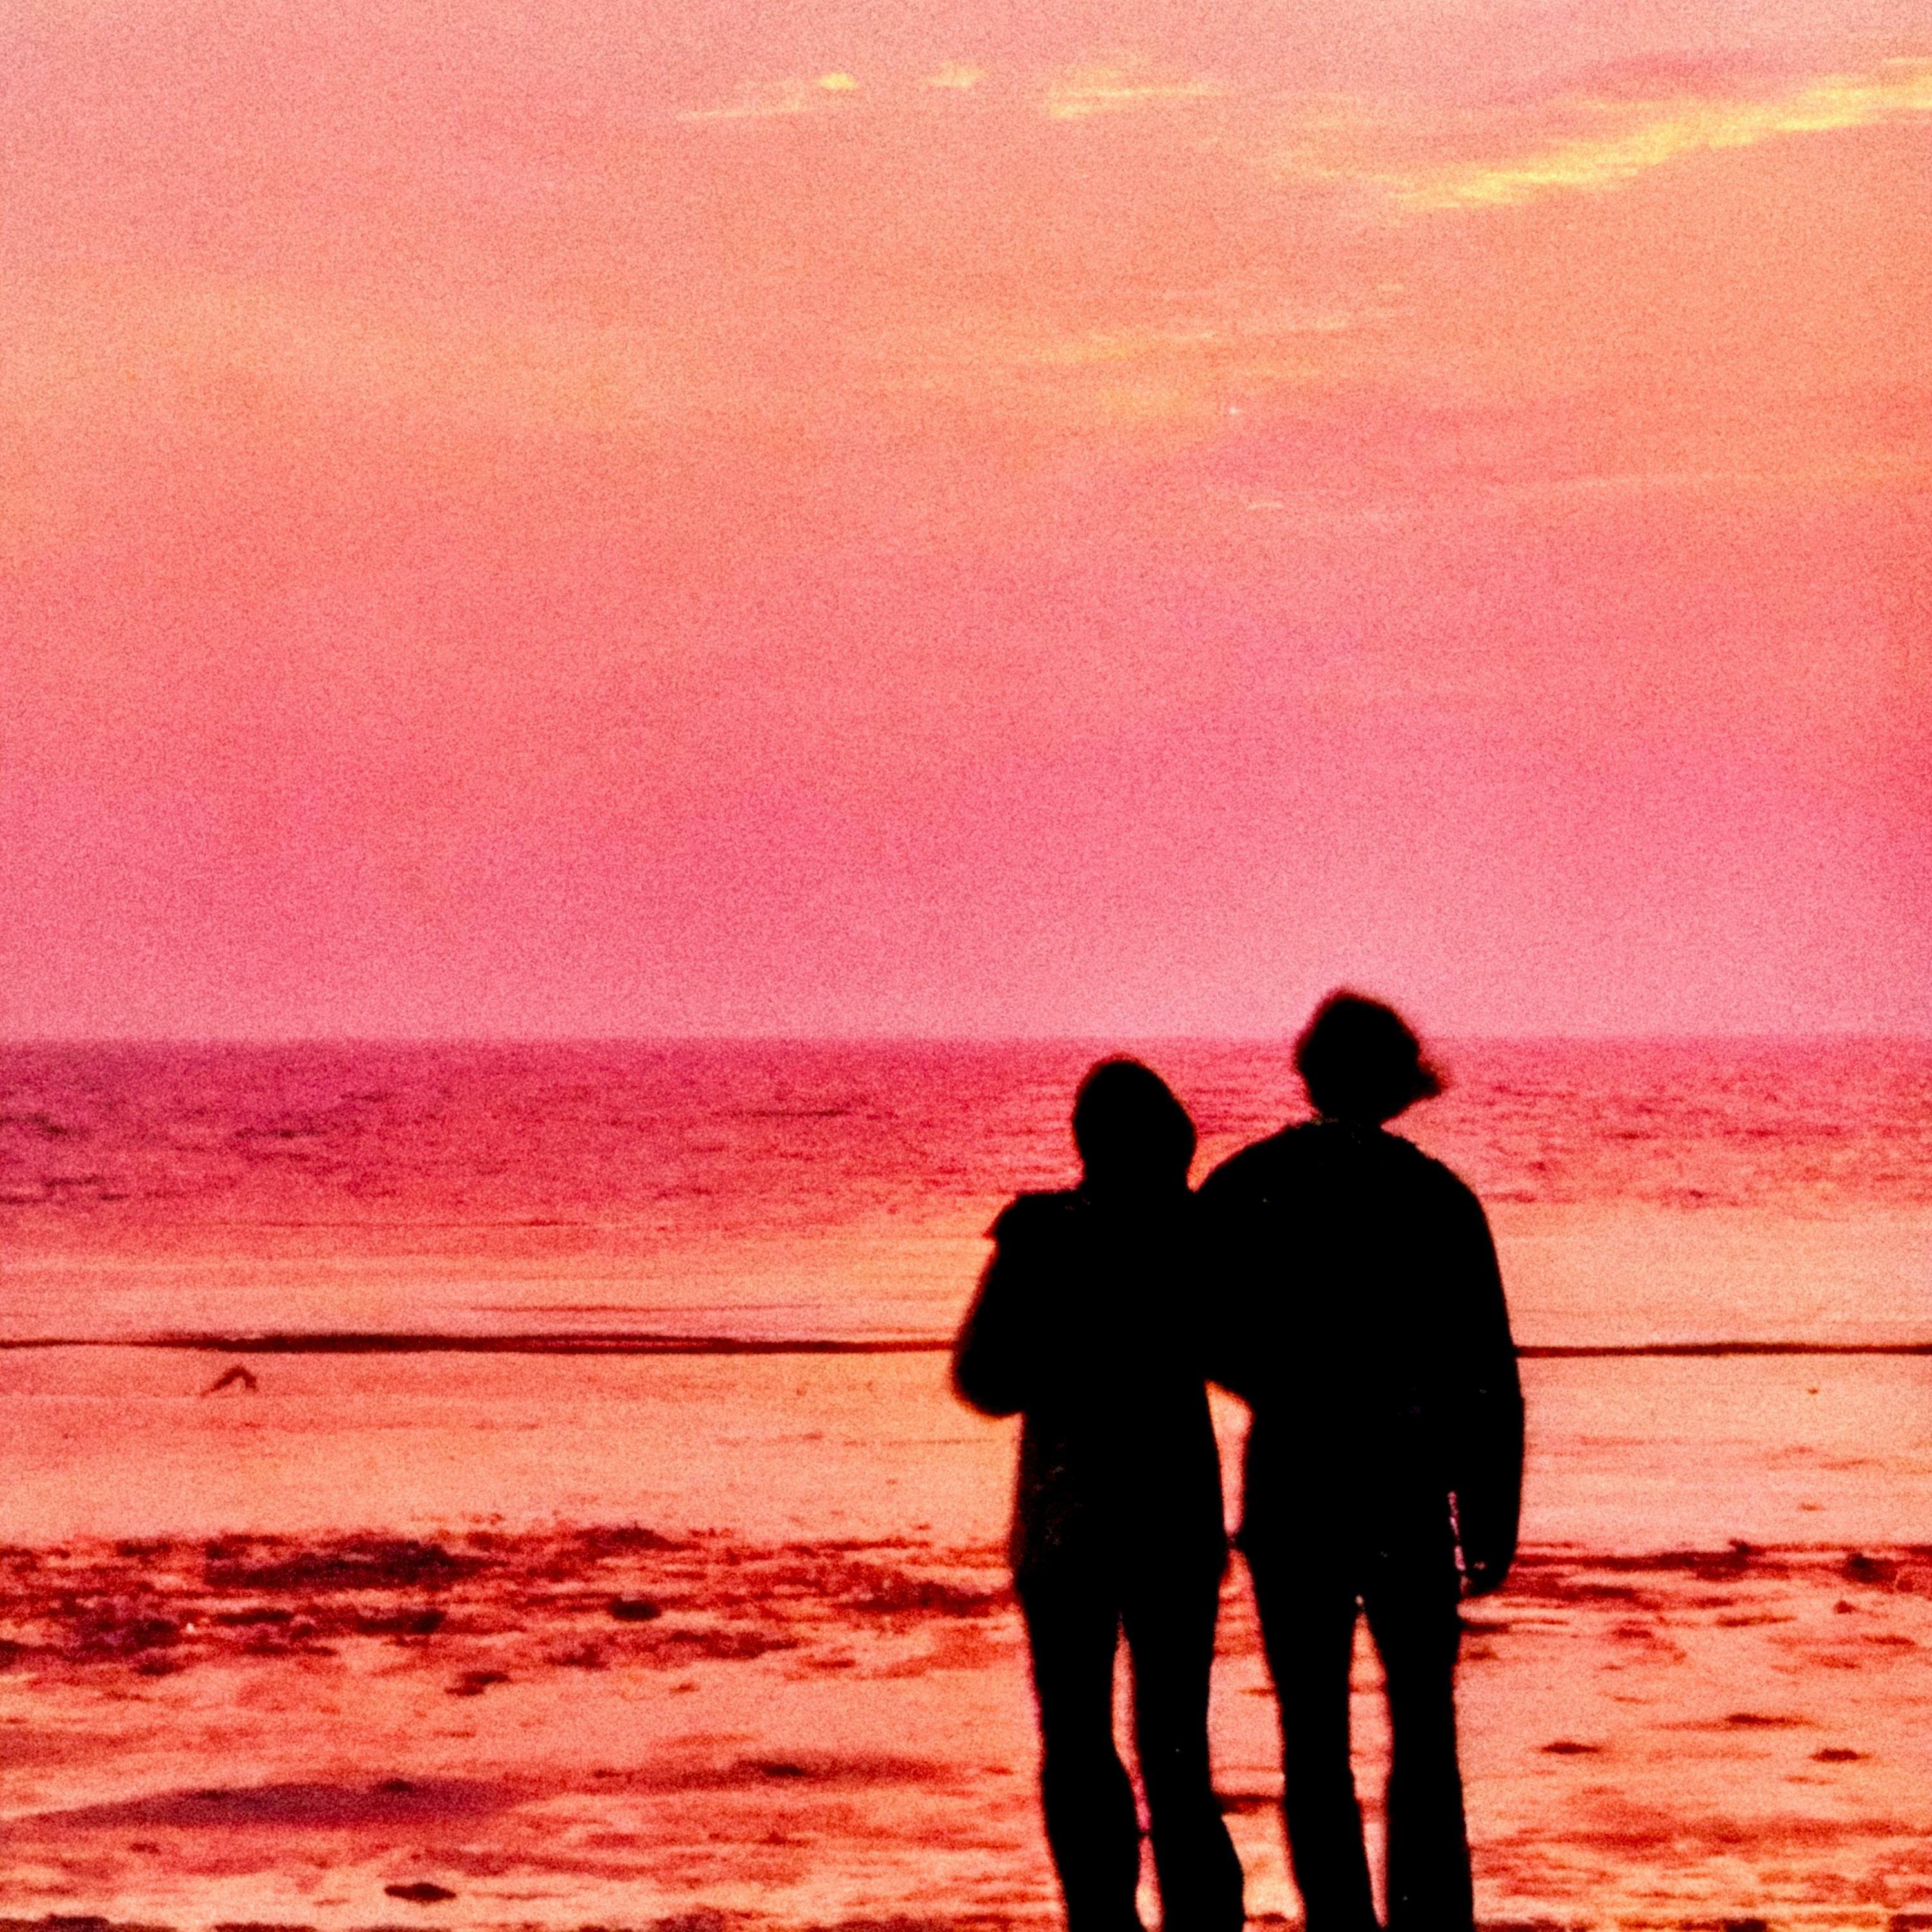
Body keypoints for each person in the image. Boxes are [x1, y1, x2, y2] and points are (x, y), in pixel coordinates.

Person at [1198, 992, 1523, 1932]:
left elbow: (1195, 1322)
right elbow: (1487, 1372)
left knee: (1312, 1737)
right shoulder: (1437, 1197)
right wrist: (1491, 1510)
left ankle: (1340, 1925)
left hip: (1293, 1480)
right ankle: (1429, 1924)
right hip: (1405, 1486)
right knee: (1424, 1730)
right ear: (1400, 1083)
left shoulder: (1248, 1181)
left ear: (1311, 1073)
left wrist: (1277, 1384)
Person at [953, 1058, 1246, 1932]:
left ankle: (1102, 1920)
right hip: (1169, 1523)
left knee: (1078, 1742)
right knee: (1176, 1749)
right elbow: (1251, 1360)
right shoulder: (1196, 1237)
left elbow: (982, 1378)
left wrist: (1062, 1352)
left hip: (1067, 1523)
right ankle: (1199, 1922)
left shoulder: (1040, 1237)